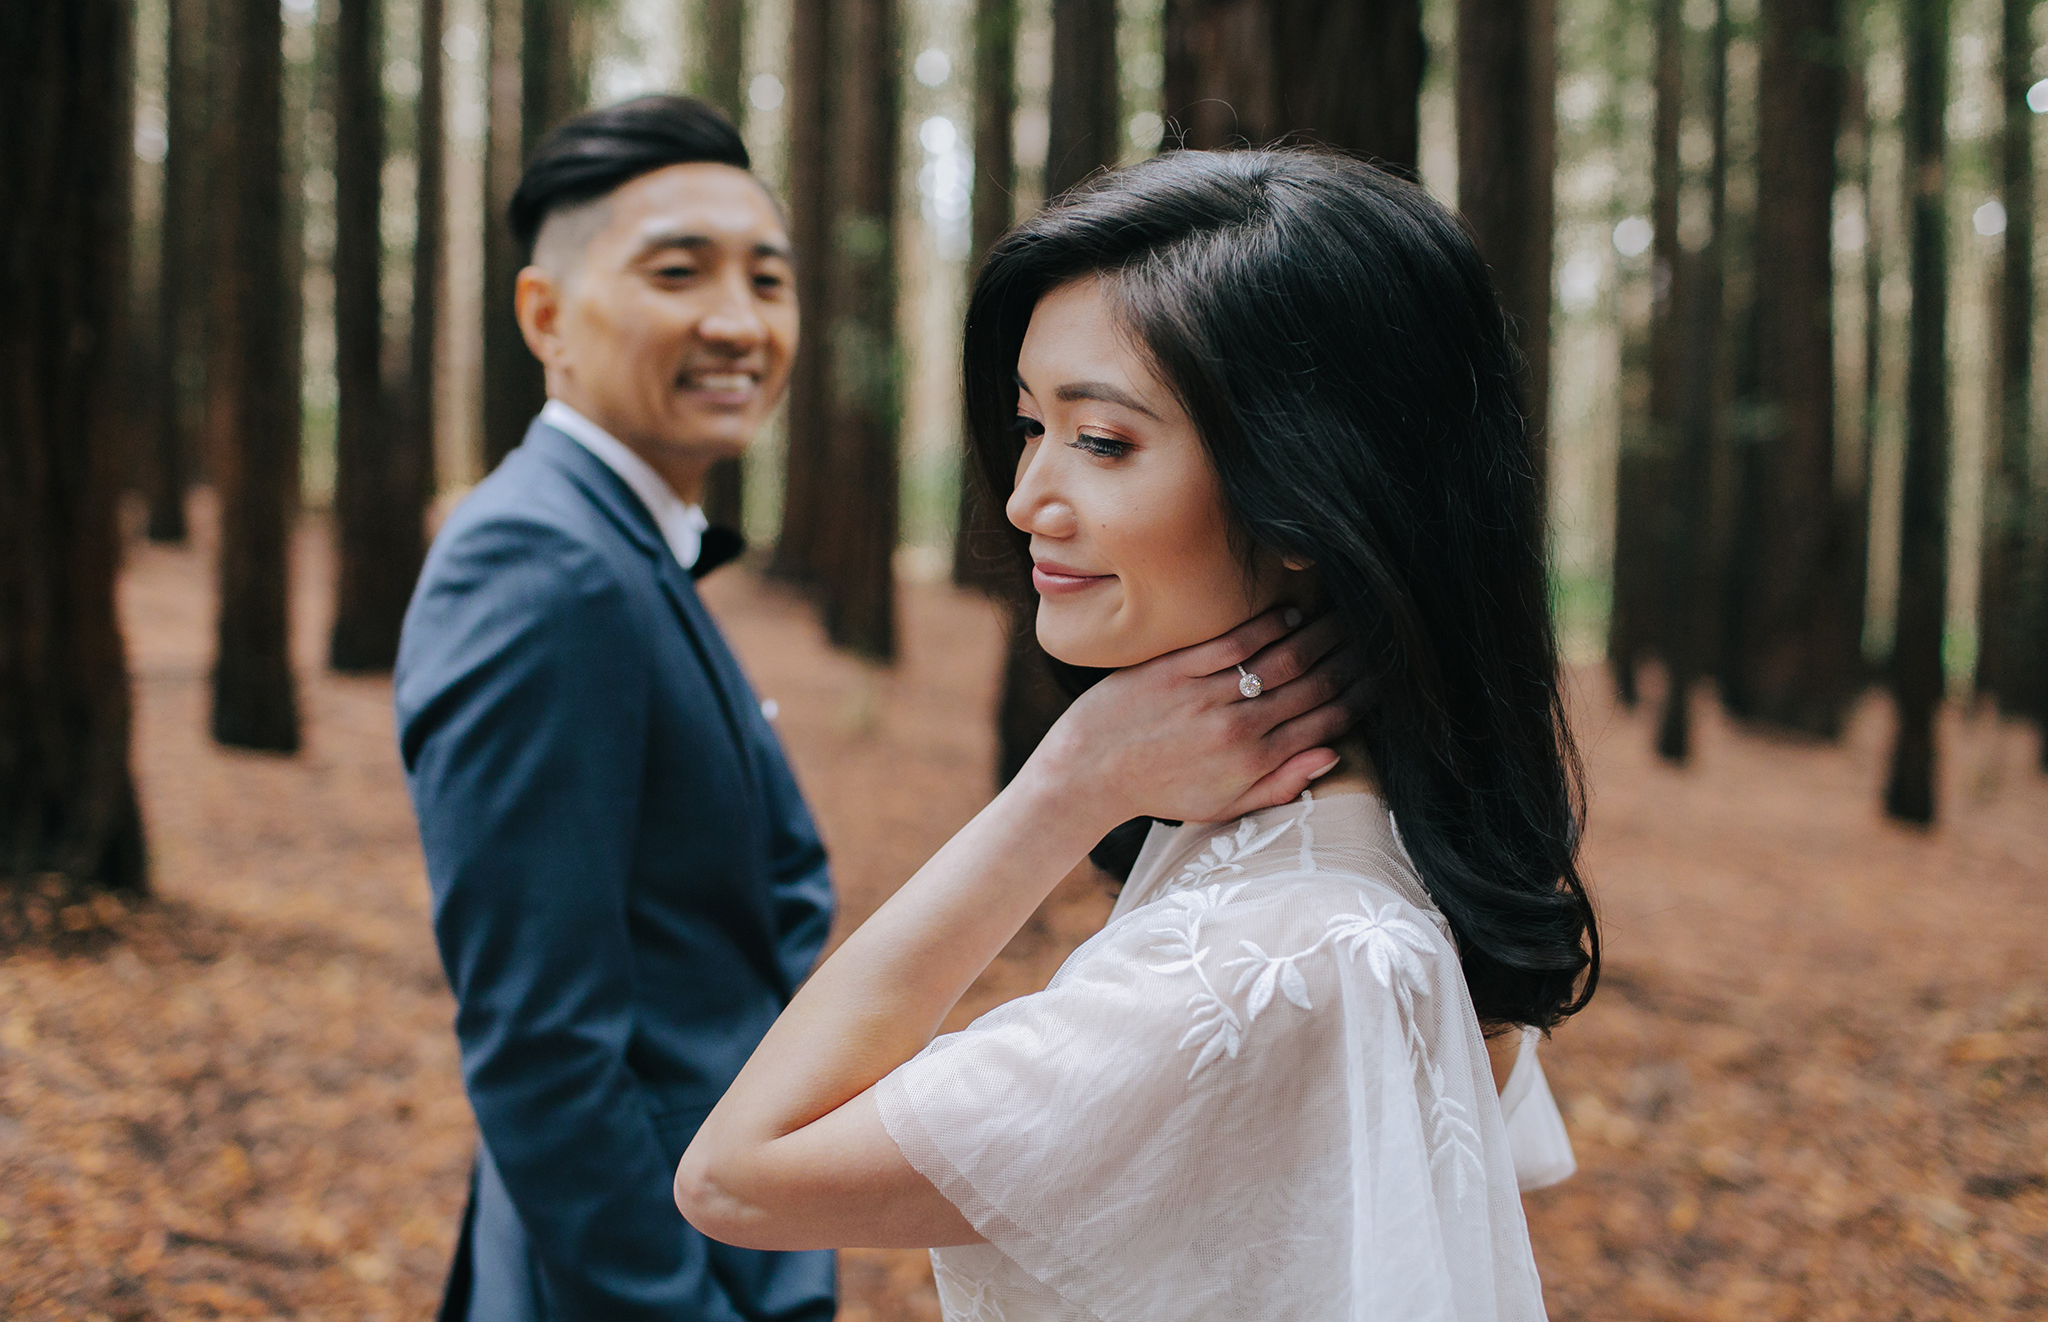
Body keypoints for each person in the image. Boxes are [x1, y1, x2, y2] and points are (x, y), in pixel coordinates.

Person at [673, 148, 1599, 1320]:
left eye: (1101, 442)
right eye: (1027, 426)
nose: (1024, 502)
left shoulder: (1277, 957)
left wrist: (1058, 788)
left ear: (1309, 492)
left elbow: (735, 1176)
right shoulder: (1405, 848)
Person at [395, 96, 838, 1321]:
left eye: (767, 279)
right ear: (547, 315)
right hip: (632, 1279)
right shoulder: (540, 565)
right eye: (677, 273)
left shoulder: (621, 544)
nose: (737, 323)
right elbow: (537, 1038)